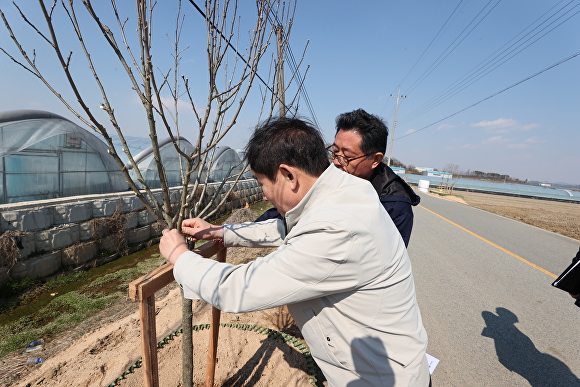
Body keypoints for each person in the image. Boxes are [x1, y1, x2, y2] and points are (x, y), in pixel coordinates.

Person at [160, 117, 430, 386]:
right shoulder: (345, 192)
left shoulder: (337, 230)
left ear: (289, 175)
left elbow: (240, 289)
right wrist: (222, 232)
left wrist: (180, 256)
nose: (264, 196)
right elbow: (288, 229)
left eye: (263, 183)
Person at [256, 108, 420, 247]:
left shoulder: (394, 206)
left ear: (375, 160)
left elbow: (384, 259)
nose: (336, 162)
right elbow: (294, 208)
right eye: (334, 152)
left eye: (347, 157)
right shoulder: (331, 175)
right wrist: (250, 227)